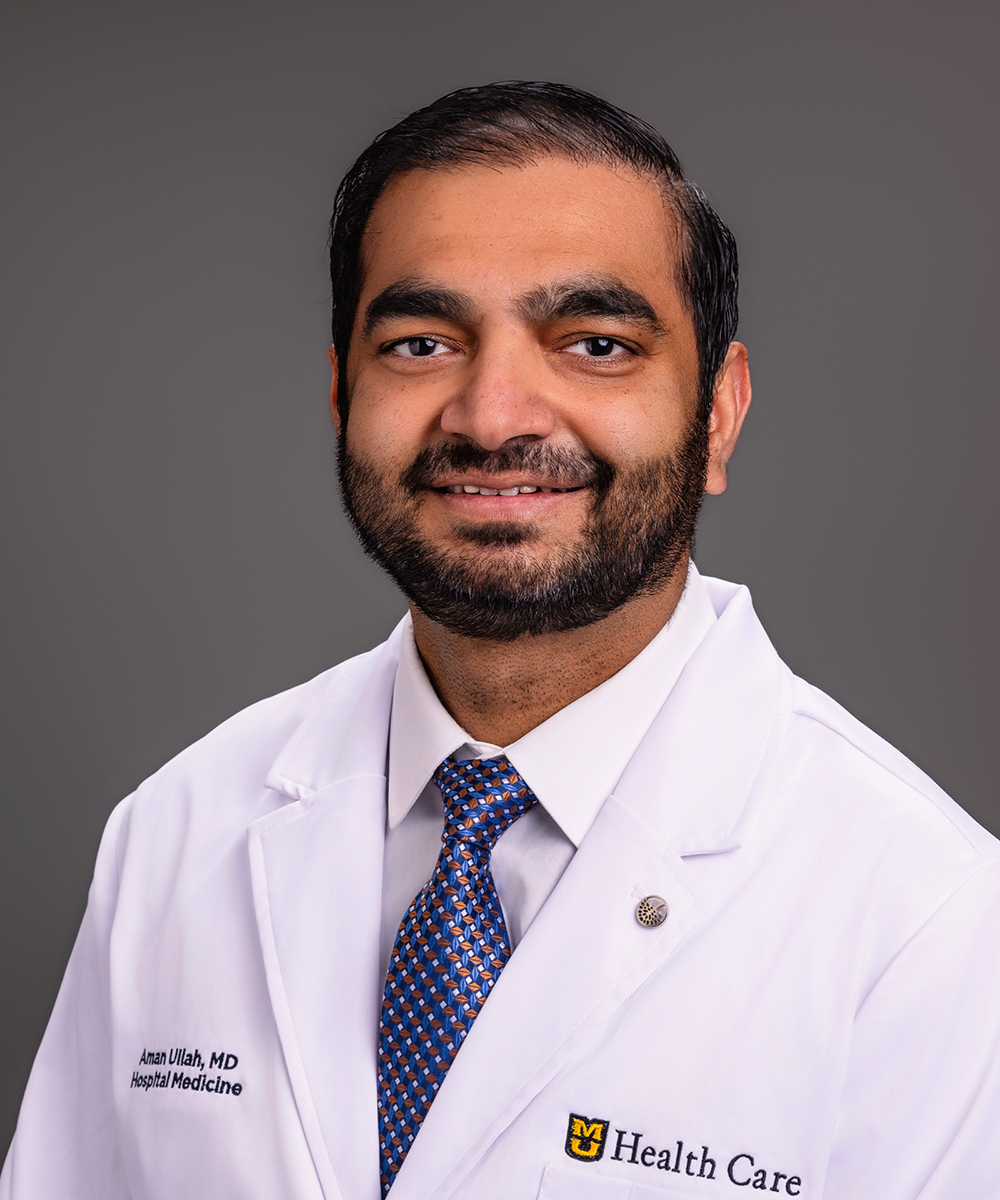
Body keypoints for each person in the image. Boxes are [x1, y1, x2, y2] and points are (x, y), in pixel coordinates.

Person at [2, 80, 998, 1200]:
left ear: (717, 412)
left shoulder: (930, 923)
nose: (491, 416)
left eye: (595, 344)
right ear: (341, 395)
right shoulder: (178, 833)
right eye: (422, 343)